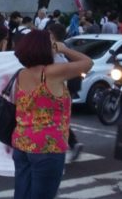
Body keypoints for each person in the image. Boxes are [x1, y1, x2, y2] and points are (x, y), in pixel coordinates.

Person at [12, 30, 93, 199]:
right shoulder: (52, 73)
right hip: (48, 147)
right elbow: (88, 63)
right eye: (51, 43)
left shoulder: (21, 74)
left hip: (22, 143)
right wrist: (63, 49)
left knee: (22, 194)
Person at [47, 23, 84, 163]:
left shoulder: (55, 51)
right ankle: (72, 144)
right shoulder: (68, 49)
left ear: (51, 35)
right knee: (58, 120)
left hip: (57, 92)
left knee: (54, 122)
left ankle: (60, 150)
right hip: (66, 91)